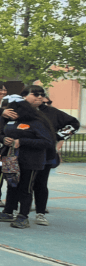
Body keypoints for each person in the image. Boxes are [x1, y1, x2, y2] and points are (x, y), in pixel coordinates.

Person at [0, 95, 56, 229]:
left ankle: (23, 215)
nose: (10, 114)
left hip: (30, 160)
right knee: (11, 184)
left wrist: (22, 142)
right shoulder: (9, 122)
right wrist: (4, 140)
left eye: (13, 112)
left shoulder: (36, 122)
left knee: (26, 187)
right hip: (11, 158)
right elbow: (1, 133)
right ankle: (8, 211)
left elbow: (47, 141)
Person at [33, 86, 80, 225]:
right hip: (25, 153)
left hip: (45, 153)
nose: (39, 97)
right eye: (35, 94)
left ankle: (40, 212)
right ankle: (20, 211)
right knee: (24, 183)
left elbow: (74, 123)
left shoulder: (52, 112)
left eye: (42, 95)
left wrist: (59, 136)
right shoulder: (21, 110)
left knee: (41, 183)